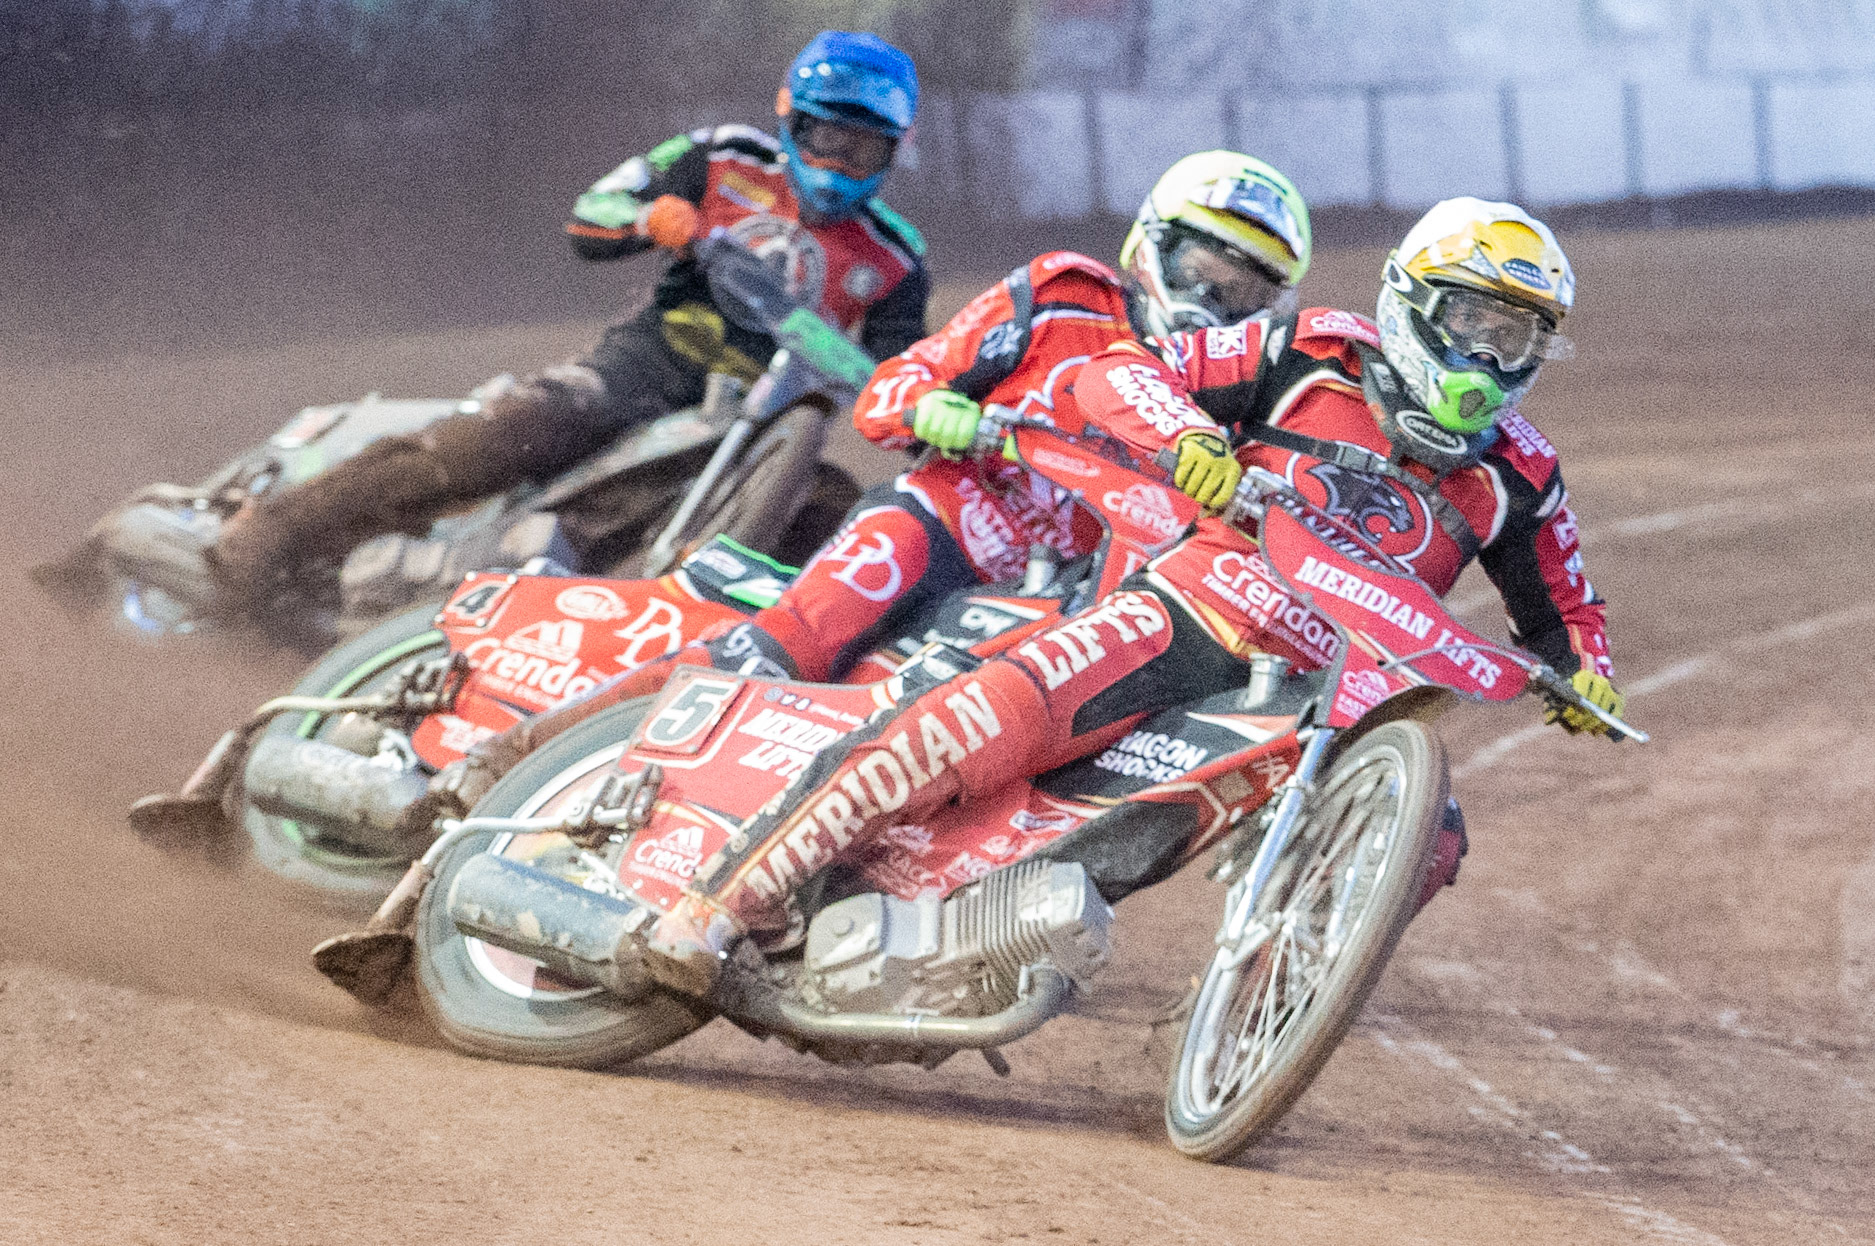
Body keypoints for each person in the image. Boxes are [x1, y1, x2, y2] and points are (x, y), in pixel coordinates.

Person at [626, 197, 1626, 997]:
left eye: (1516, 339)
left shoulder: (1523, 476)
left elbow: (1568, 612)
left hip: (1327, 694)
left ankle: (1278, 992)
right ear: (1411, 301)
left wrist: (1593, 677)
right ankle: (727, 898)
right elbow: (1124, 369)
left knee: (1433, 833)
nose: (1488, 361)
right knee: (978, 720)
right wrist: (1187, 439)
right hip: (1191, 608)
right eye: (1472, 324)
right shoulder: (1309, 348)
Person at [415, 152, 1314, 822]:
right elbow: (888, 389)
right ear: (1152, 246)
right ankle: (505, 758)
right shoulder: (1061, 297)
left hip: (1054, 608)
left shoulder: (1231, 398)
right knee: (786, 649)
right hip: (944, 523)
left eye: (1245, 294)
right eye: (1204, 272)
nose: (1216, 306)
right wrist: (942, 414)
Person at [209, 30, 929, 602]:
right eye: (825, 137)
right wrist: (653, 217)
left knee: (842, 524)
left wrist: (944, 410)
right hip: (652, 364)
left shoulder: (896, 257)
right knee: (506, 437)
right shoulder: (717, 157)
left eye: (860, 147)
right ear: (789, 119)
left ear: (890, 153)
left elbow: (902, 373)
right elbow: (592, 215)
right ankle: (271, 536)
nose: (837, 162)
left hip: (773, 427)